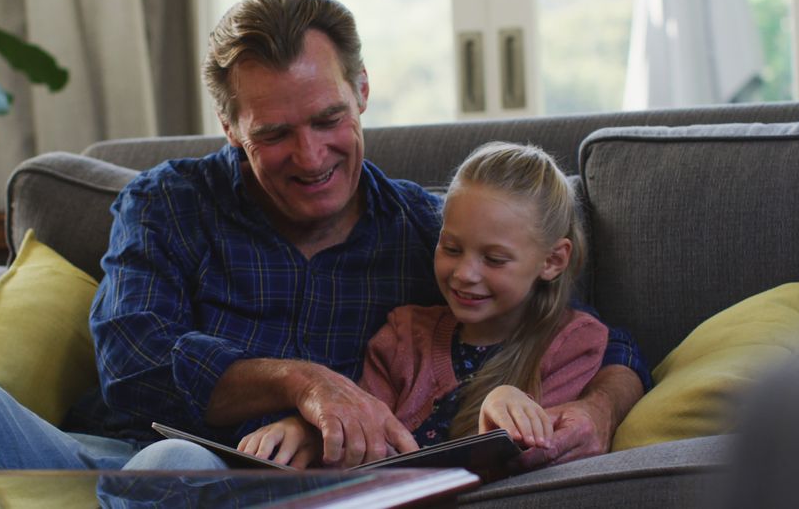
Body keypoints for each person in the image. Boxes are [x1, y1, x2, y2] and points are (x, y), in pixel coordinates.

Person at [0, 0, 647, 483]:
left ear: (361, 91)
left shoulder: (426, 236)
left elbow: (591, 333)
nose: (312, 156)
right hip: (92, 461)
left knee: (177, 472)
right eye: (274, 134)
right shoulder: (168, 204)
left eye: (329, 119)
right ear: (227, 125)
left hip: (261, 490)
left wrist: (601, 408)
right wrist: (302, 380)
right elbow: (135, 362)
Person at [236, 142, 607, 469]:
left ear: (553, 261)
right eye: (451, 248)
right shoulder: (405, 335)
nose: (464, 274)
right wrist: (311, 432)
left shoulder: (573, 343)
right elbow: (364, 432)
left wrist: (502, 402)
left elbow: (537, 459)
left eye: (494, 259)